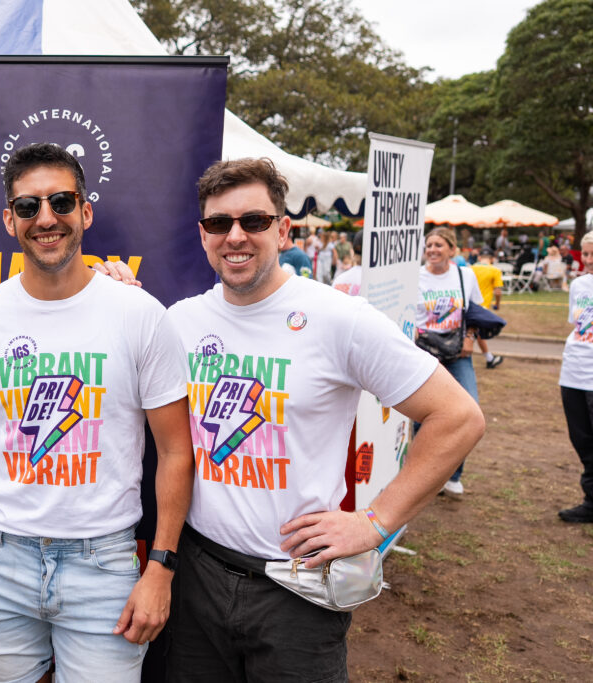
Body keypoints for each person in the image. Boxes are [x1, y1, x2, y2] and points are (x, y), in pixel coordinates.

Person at [162, 158, 484, 681]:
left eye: (254, 220)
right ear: (203, 235)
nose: (235, 236)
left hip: (297, 589)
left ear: (283, 229)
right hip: (199, 577)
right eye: (219, 223)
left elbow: (458, 416)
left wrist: (376, 522)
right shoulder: (181, 321)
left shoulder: (338, 318)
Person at [0, 143, 193, 682]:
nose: (46, 218)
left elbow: (175, 451)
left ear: (86, 211)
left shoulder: (140, 314)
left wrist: (161, 567)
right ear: (10, 220)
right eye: (28, 206)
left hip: (104, 566)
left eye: (61, 201)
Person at [416, 227, 485, 499]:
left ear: (452, 250)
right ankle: (423, 478)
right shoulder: (416, 277)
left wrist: (470, 338)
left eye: (439, 245)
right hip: (424, 353)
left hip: (458, 353)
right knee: (423, 417)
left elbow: (475, 313)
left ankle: (453, 475)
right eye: (429, 245)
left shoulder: (465, 276)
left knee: (468, 411)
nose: (432, 250)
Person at [557, 232, 593, 523]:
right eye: (586, 254)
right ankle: (591, 502)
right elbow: (578, 324)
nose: (589, 260)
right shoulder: (579, 285)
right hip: (573, 372)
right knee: (582, 441)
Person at [470, 248, 505, 369]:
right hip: (483, 306)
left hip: (469, 304)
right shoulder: (495, 270)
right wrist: (497, 304)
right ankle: (489, 358)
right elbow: (498, 291)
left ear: (479, 257)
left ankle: (489, 358)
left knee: (474, 333)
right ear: (492, 259)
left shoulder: (470, 269)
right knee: (476, 333)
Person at [332, 230, 364, 296]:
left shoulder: (338, 280)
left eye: (342, 237)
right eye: (341, 237)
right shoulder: (373, 282)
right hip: (342, 262)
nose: (341, 239)